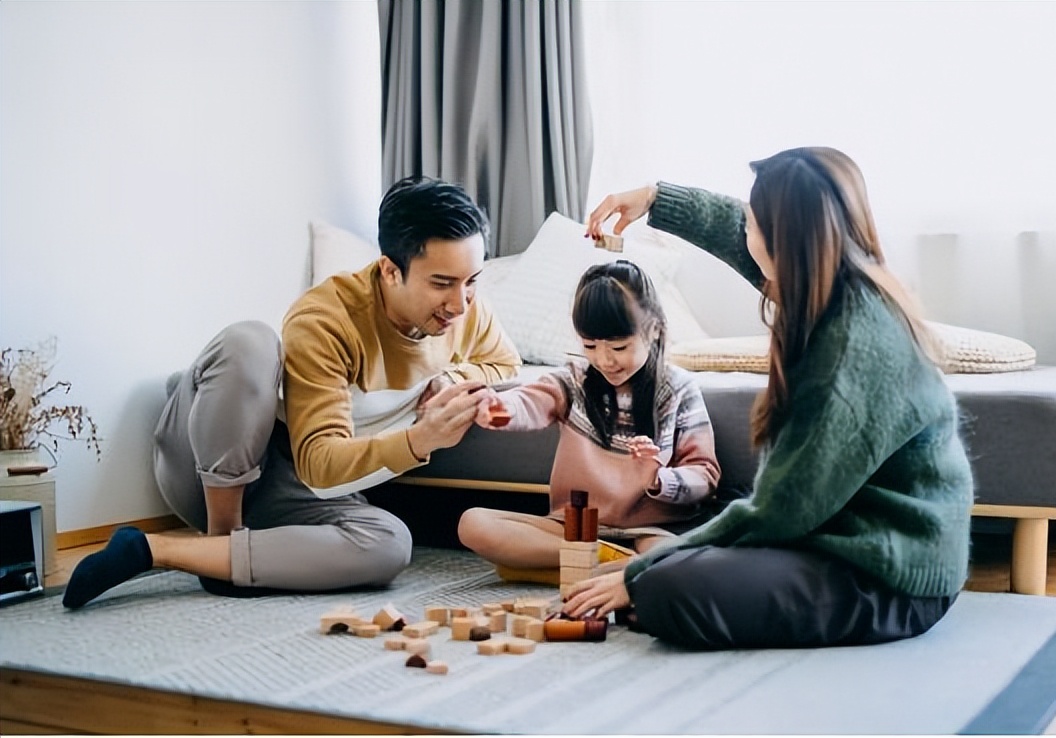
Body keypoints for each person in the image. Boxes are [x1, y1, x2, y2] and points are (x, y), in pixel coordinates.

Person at [562, 147, 974, 650]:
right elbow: (732, 230)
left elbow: (783, 508)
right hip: (844, 539)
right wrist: (654, 198)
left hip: (891, 577)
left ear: (786, 242)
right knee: (669, 572)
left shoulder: (848, 345)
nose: (743, 231)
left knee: (662, 586)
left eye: (753, 223)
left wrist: (639, 573)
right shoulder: (833, 280)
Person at [63, 176, 521, 609]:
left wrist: (453, 379)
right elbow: (319, 462)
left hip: (294, 494)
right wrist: (419, 440)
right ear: (389, 270)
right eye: (442, 283)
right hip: (213, 466)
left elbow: (505, 364)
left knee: (390, 544)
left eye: (471, 281)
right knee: (251, 342)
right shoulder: (327, 319)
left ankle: (163, 551)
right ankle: (222, 535)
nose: (460, 303)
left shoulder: (467, 311)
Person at [458, 259, 721, 580]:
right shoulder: (574, 381)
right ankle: (614, 566)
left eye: (620, 347)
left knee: (673, 557)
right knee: (473, 524)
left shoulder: (678, 389)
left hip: (649, 532)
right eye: (590, 346)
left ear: (654, 330)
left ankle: (572, 570)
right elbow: (530, 401)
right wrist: (499, 405)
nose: (604, 360)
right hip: (572, 529)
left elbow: (705, 476)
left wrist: (658, 480)